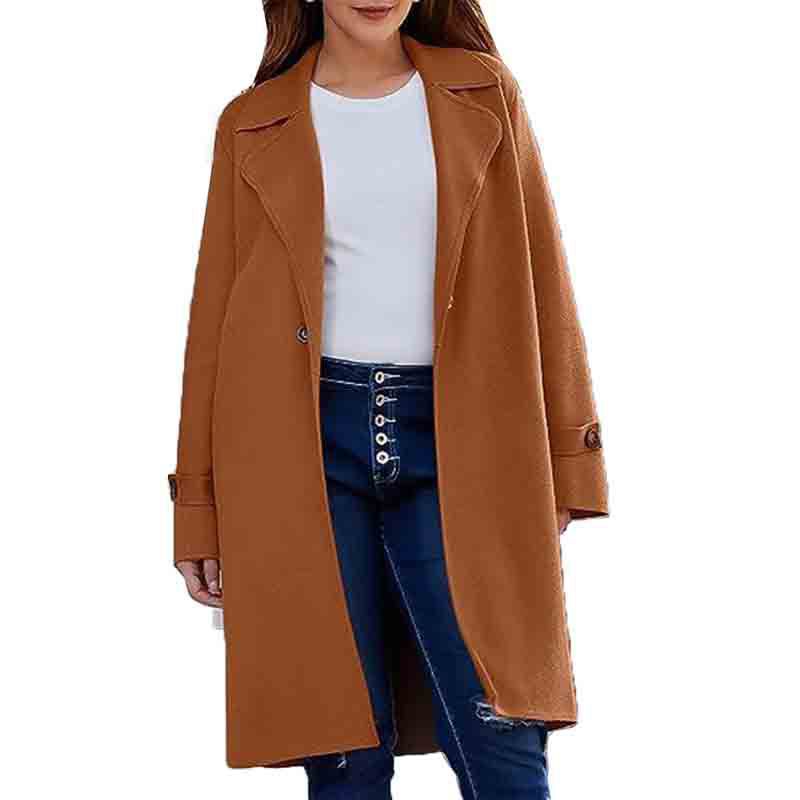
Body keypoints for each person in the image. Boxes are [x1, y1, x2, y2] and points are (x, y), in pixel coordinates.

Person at [169, 1, 609, 798]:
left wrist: (569, 461)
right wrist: (199, 505)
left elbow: (544, 275)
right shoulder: (253, 121)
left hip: (467, 439)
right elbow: (214, 323)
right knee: (341, 752)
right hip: (299, 450)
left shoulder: (483, 92)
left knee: (503, 736)